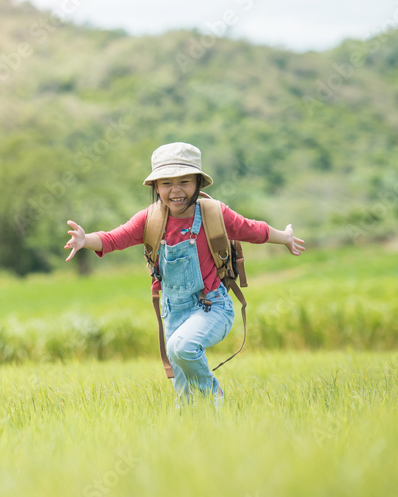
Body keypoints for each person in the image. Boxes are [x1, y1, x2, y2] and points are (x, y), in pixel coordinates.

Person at [64, 142, 305, 403]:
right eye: (166, 183)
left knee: (182, 347)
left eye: (185, 182)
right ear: (156, 187)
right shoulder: (151, 219)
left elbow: (253, 230)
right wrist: (85, 239)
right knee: (184, 394)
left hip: (213, 306)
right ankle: (202, 427)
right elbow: (113, 239)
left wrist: (285, 237)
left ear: (198, 183)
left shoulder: (214, 214)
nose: (176, 191)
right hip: (173, 312)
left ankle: (214, 394)